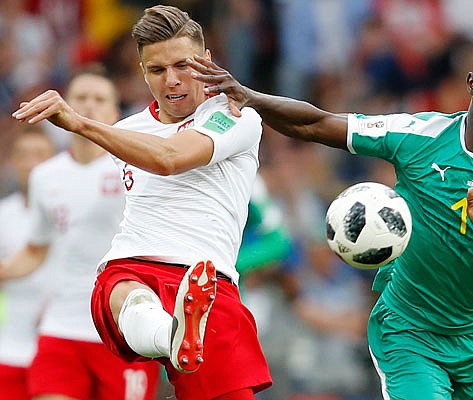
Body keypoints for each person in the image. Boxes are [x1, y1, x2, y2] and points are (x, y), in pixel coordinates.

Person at [190, 41, 473, 399]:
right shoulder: (420, 136)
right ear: (471, 83)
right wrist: (251, 98)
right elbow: (317, 124)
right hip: (411, 331)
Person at [12, 5, 271, 400]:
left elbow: (169, 158)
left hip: (207, 281)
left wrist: (80, 121)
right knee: (124, 292)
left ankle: (179, 333)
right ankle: (170, 337)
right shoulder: (127, 132)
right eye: (157, 71)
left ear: (207, 61)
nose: (172, 81)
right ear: (142, 70)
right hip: (135, 266)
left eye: (183, 66)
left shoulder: (235, 117)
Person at [1, 67, 161, 400]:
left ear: (115, 113)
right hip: (60, 329)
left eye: (99, 99)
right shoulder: (46, 176)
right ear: (63, 106)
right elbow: (35, 250)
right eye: (81, 98)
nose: (89, 106)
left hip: (120, 333)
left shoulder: (135, 169)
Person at [0, 126, 56, 400]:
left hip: (60, 347)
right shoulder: (3, 215)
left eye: (41, 155)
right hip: (8, 350)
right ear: (13, 161)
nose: (33, 164)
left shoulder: (72, 213)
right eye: (24, 155)